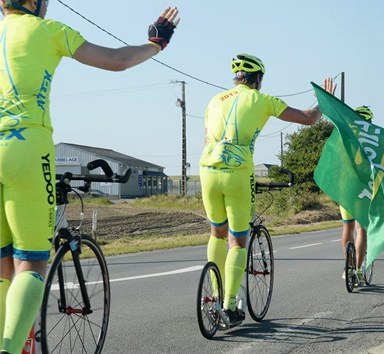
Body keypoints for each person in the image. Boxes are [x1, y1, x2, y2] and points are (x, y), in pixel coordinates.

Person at [0, 2, 179, 352]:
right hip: (25, 145)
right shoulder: (47, 30)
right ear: (36, 3)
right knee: (32, 260)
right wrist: (157, 43)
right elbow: (117, 61)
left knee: (3, 264)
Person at [199, 53, 336, 327]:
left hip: (207, 171)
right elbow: (309, 118)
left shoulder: (214, 100)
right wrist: (324, 101)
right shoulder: (263, 100)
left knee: (217, 232)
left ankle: (213, 295)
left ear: (237, 78)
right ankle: (228, 306)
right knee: (238, 240)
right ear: (258, 79)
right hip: (237, 174)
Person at [339, 106, 373, 282]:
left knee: (348, 226)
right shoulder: (373, 138)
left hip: (345, 187)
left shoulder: (344, 135)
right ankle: (358, 269)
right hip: (363, 188)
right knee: (361, 229)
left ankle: (348, 266)